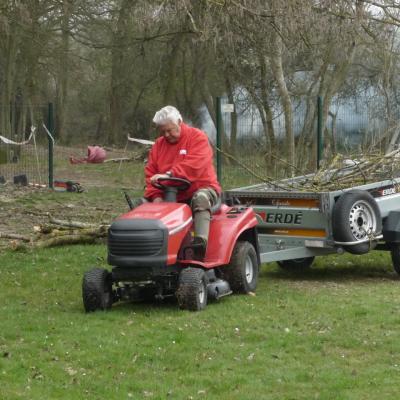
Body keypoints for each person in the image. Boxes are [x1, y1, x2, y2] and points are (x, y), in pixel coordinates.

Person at [144, 105, 221, 259]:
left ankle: (200, 246)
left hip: (202, 188)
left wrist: (169, 174)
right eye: (163, 131)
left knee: (200, 198)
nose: (166, 135)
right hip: (170, 194)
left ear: (179, 122)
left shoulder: (197, 138)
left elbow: (195, 167)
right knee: (142, 204)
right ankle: (148, 248)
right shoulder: (158, 146)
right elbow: (150, 174)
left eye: (170, 130)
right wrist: (155, 196)